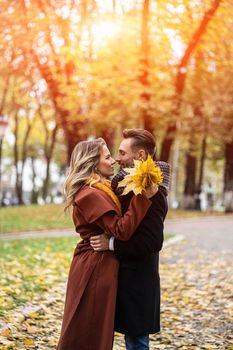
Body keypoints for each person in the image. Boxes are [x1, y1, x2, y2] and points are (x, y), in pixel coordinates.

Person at [57, 137, 157, 350]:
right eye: (108, 156)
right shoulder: (90, 193)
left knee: (94, 329)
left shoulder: (101, 188)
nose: (113, 161)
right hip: (94, 266)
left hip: (101, 263)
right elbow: (121, 229)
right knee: (88, 330)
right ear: (93, 163)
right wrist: (143, 197)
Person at [90, 129, 170, 350]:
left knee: (136, 342)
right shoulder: (125, 185)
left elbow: (153, 243)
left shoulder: (154, 193)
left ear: (141, 156)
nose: (118, 158)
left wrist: (111, 244)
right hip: (122, 277)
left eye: (122, 153)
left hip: (139, 281)